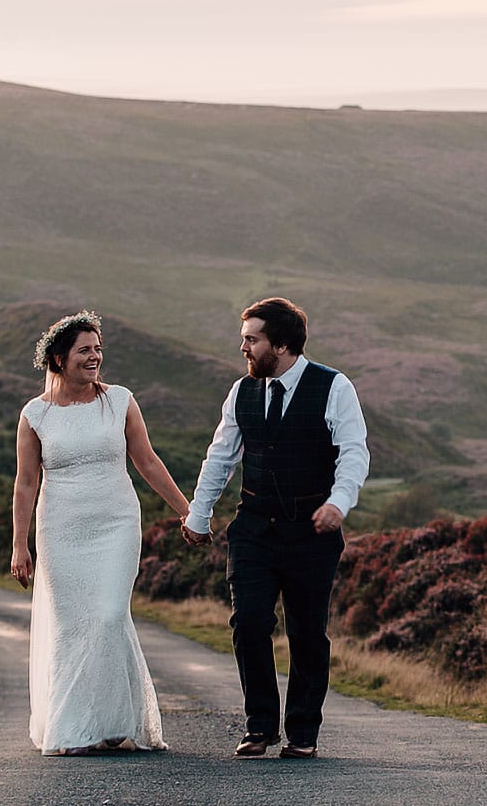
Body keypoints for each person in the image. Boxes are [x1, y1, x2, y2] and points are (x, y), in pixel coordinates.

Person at [182, 297, 371, 759]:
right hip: (253, 529)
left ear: (281, 345)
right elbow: (221, 458)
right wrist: (198, 514)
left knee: (307, 633)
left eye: (251, 339)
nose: (242, 347)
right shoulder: (241, 392)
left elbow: (354, 453)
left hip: (312, 533)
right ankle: (260, 726)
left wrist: (337, 503)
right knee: (248, 623)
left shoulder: (333, 387)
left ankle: (303, 731)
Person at [11, 310, 193, 756]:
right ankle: (77, 729)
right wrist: (20, 544)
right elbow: (26, 483)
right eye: (84, 350)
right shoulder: (35, 415)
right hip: (61, 532)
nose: (95, 357)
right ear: (58, 358)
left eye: (98, 349)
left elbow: (147, 461)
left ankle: (113, 720)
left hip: (115, 524)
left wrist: (189, 512)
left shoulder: (121, 401)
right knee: (73, 626)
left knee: (110, 616)